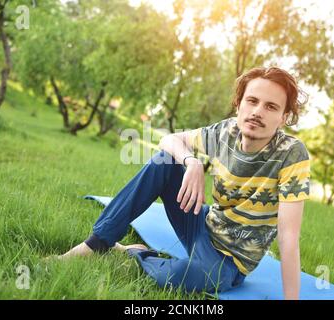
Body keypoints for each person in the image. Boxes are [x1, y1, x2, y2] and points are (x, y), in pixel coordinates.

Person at [56, 66, 311, 300]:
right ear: (239, 105)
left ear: (284, 117)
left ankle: (133, 251)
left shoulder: (291, 154)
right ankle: (95, 244)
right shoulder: (226, 132)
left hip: (229, 261)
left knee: (181, 277)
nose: (257, 112)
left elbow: (288, 235)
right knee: (164, 161)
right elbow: (169, 140)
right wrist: (192, 162)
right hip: (201, 223)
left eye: (271, 107)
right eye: (252, 101)